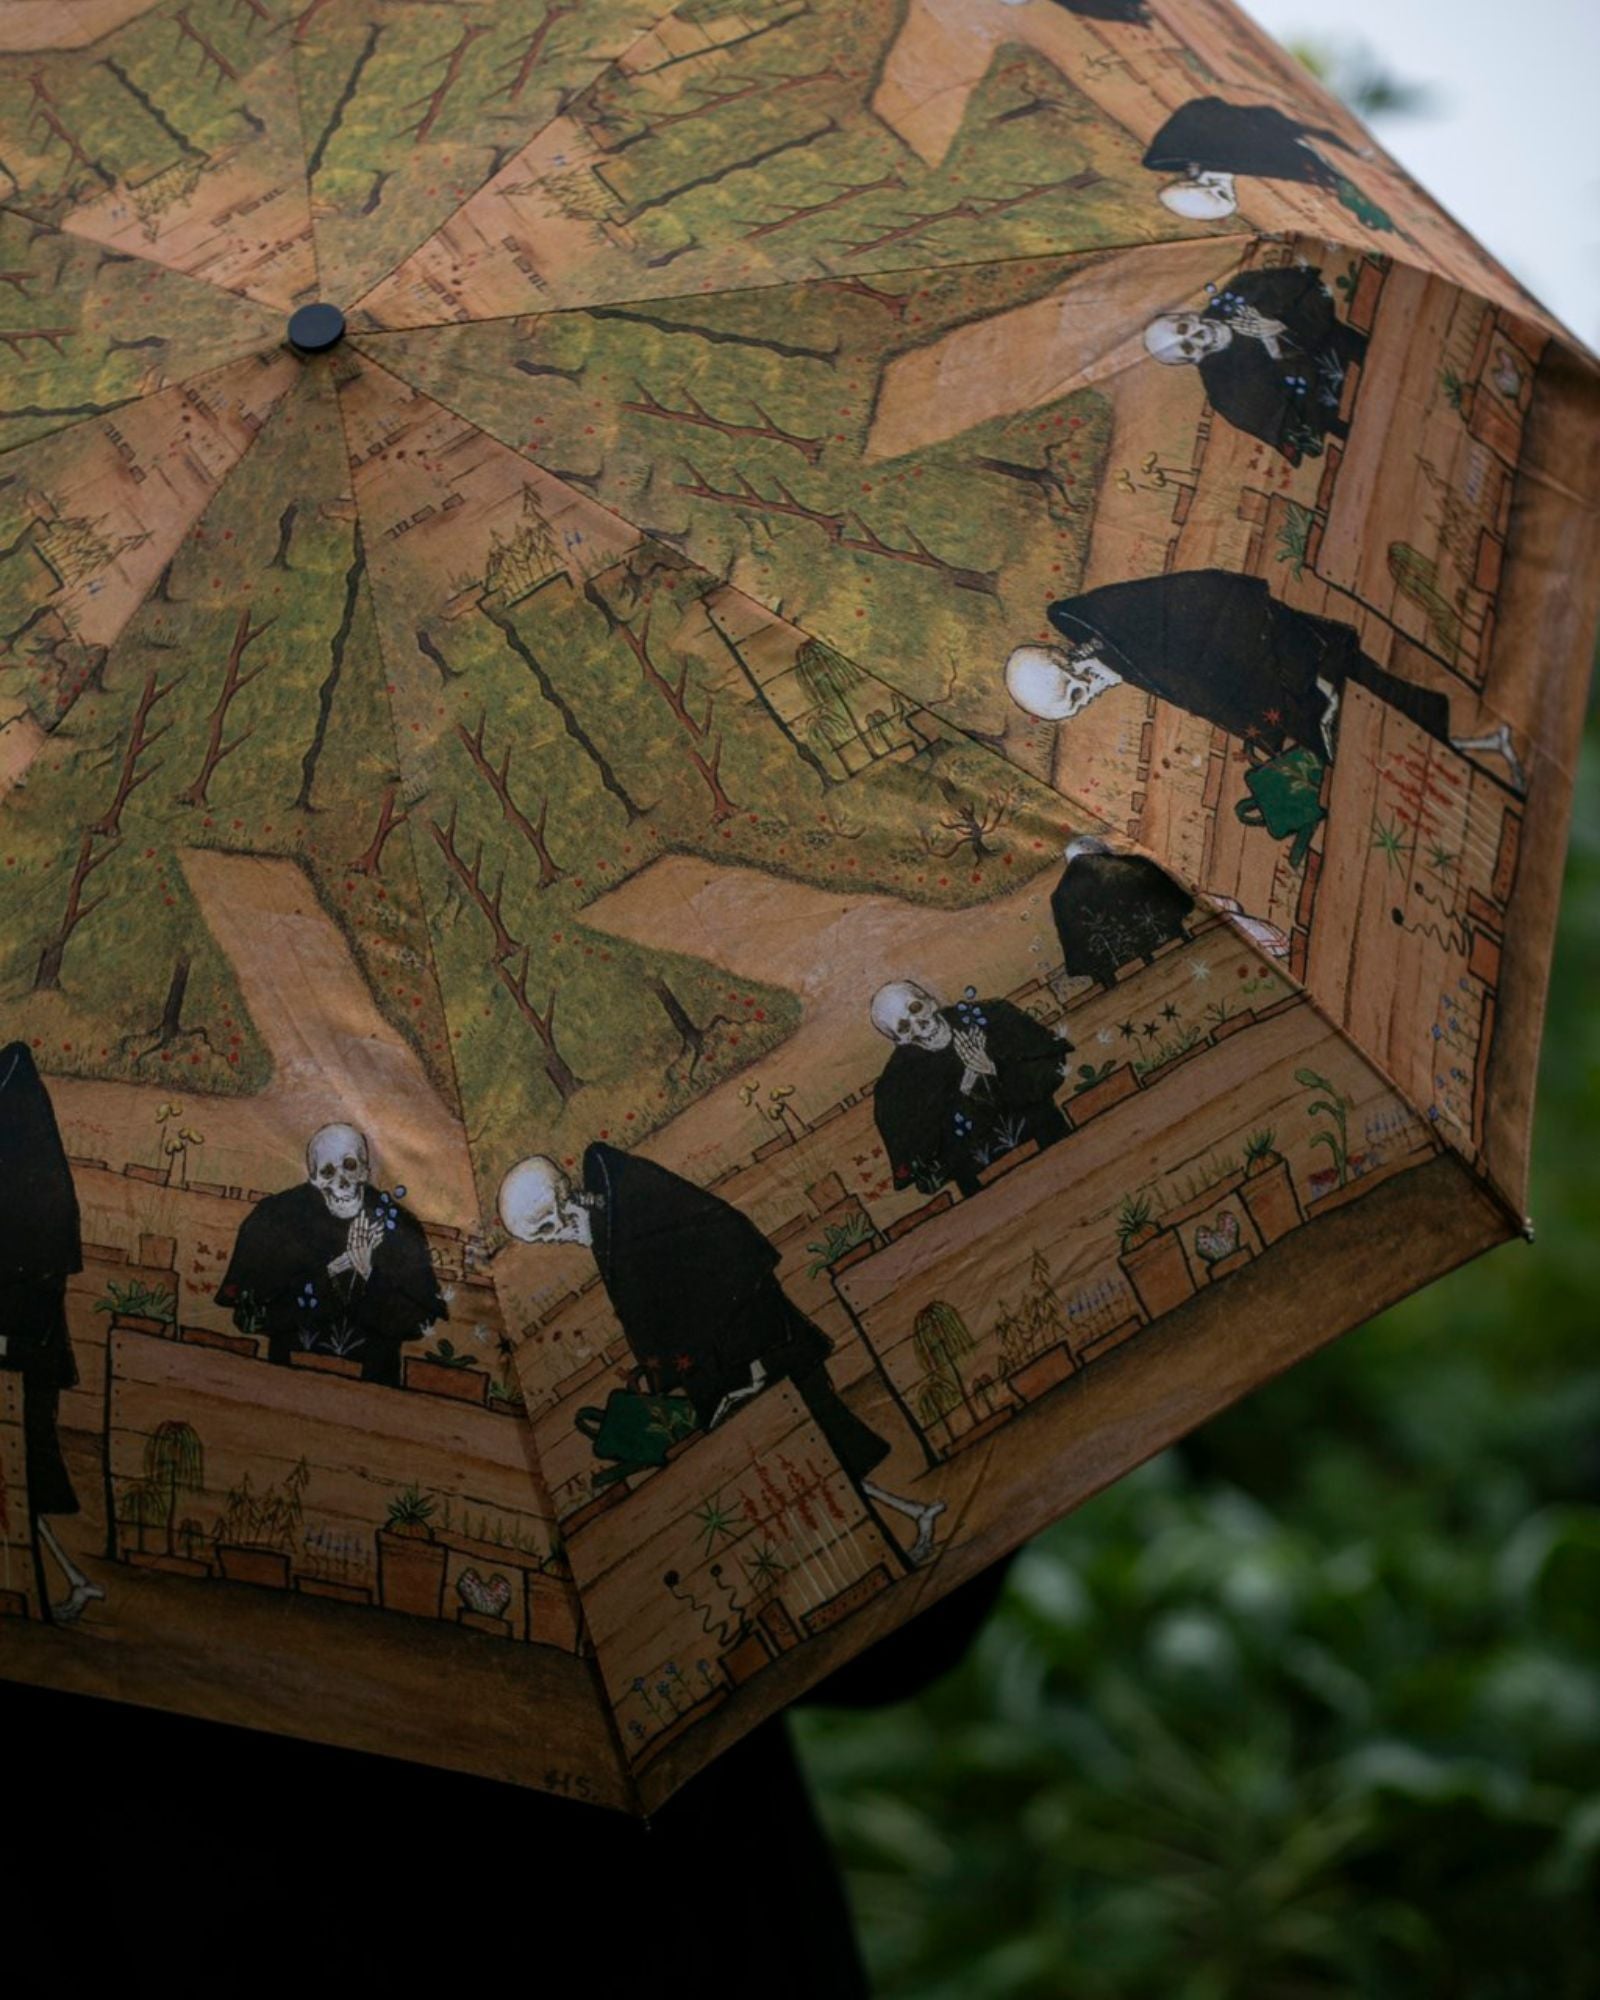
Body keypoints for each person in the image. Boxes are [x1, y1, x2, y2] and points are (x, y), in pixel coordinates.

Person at [499, 1147, 946, 1562]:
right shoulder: (613, 1225)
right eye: (540, 1239)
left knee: (818, 1443)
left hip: (755, 1350)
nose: (553, 1240)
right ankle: (910, 1517)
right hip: (734, 1360)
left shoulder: (631, 1209)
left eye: (546, 1228)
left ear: (562, 1202)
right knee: (810, 1453)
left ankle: (906, 1524)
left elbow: (715, 1265)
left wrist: (741, 1367)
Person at [1005, 568, 1524, 783]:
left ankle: (1477, 743)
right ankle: (1475, 747)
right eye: (1078, 706)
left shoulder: (1121, 632)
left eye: (1076, 690)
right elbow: (1205, 690)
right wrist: (1261, 731)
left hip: (1288, 655)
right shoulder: (1120, 650)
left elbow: (1211, 633)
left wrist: (1279, 706)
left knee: (1374, 713)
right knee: (1377, 725)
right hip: (1285, 677)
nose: (1089, 697)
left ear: (1067, 661)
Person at [0, 1040, 104, 1624]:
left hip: (23, 1359)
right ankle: (71, 1581)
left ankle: (67, 1582)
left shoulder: (32, 1200)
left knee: (19, 1476)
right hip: (20, 1352)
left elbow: (33, 1295)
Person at [216, 1122, 446, 1387]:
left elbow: (419, 1322)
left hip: (374, 1390)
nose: (342, 1182)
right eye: (327, 1172)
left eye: (350, 1166)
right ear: (313, 1177)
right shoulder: (277, 1217)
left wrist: (369, 1277)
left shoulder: (399, 1226)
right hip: (287, 1383)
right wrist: (327, 1279)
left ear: (365, 1170)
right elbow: (248, 1317)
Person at [1143, 265, 1367, 463]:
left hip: (1363, 355)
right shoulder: (1224, 393)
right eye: (1187, 348)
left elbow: (1312, 287)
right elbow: (1303, 437)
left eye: (1183, 328)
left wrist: (1282, 323)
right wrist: (1277, 349)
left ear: (1187, 316)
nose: (1196, 336)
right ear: (1191, 360)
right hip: (1354, 417)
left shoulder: (1241, 290)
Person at [869, 981, 1071, 1198]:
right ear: (897, 1040)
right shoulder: (896, 1084)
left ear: (930, 1001)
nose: (919, 1027)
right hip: (985, 1190)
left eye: (916, 1008)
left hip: (1053, 1143)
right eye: (904, 1028)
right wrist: (964, 1091)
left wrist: (994, 1068)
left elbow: (1051, 1067)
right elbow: (923, 1162)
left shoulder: (990, 1015)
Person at [1141, 96, 1390, 229]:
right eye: (1223, 195)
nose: (1219, 187)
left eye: (1207, 188)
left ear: (1189, 182)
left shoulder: (1173, 150)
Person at [1051, 838, 1195, 989]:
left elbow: (1073, 938)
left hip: (1108, 954)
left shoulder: (1060, 895)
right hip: (1157, 933)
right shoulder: (1133, 864)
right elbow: (1171, 895)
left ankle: (1108, 980)